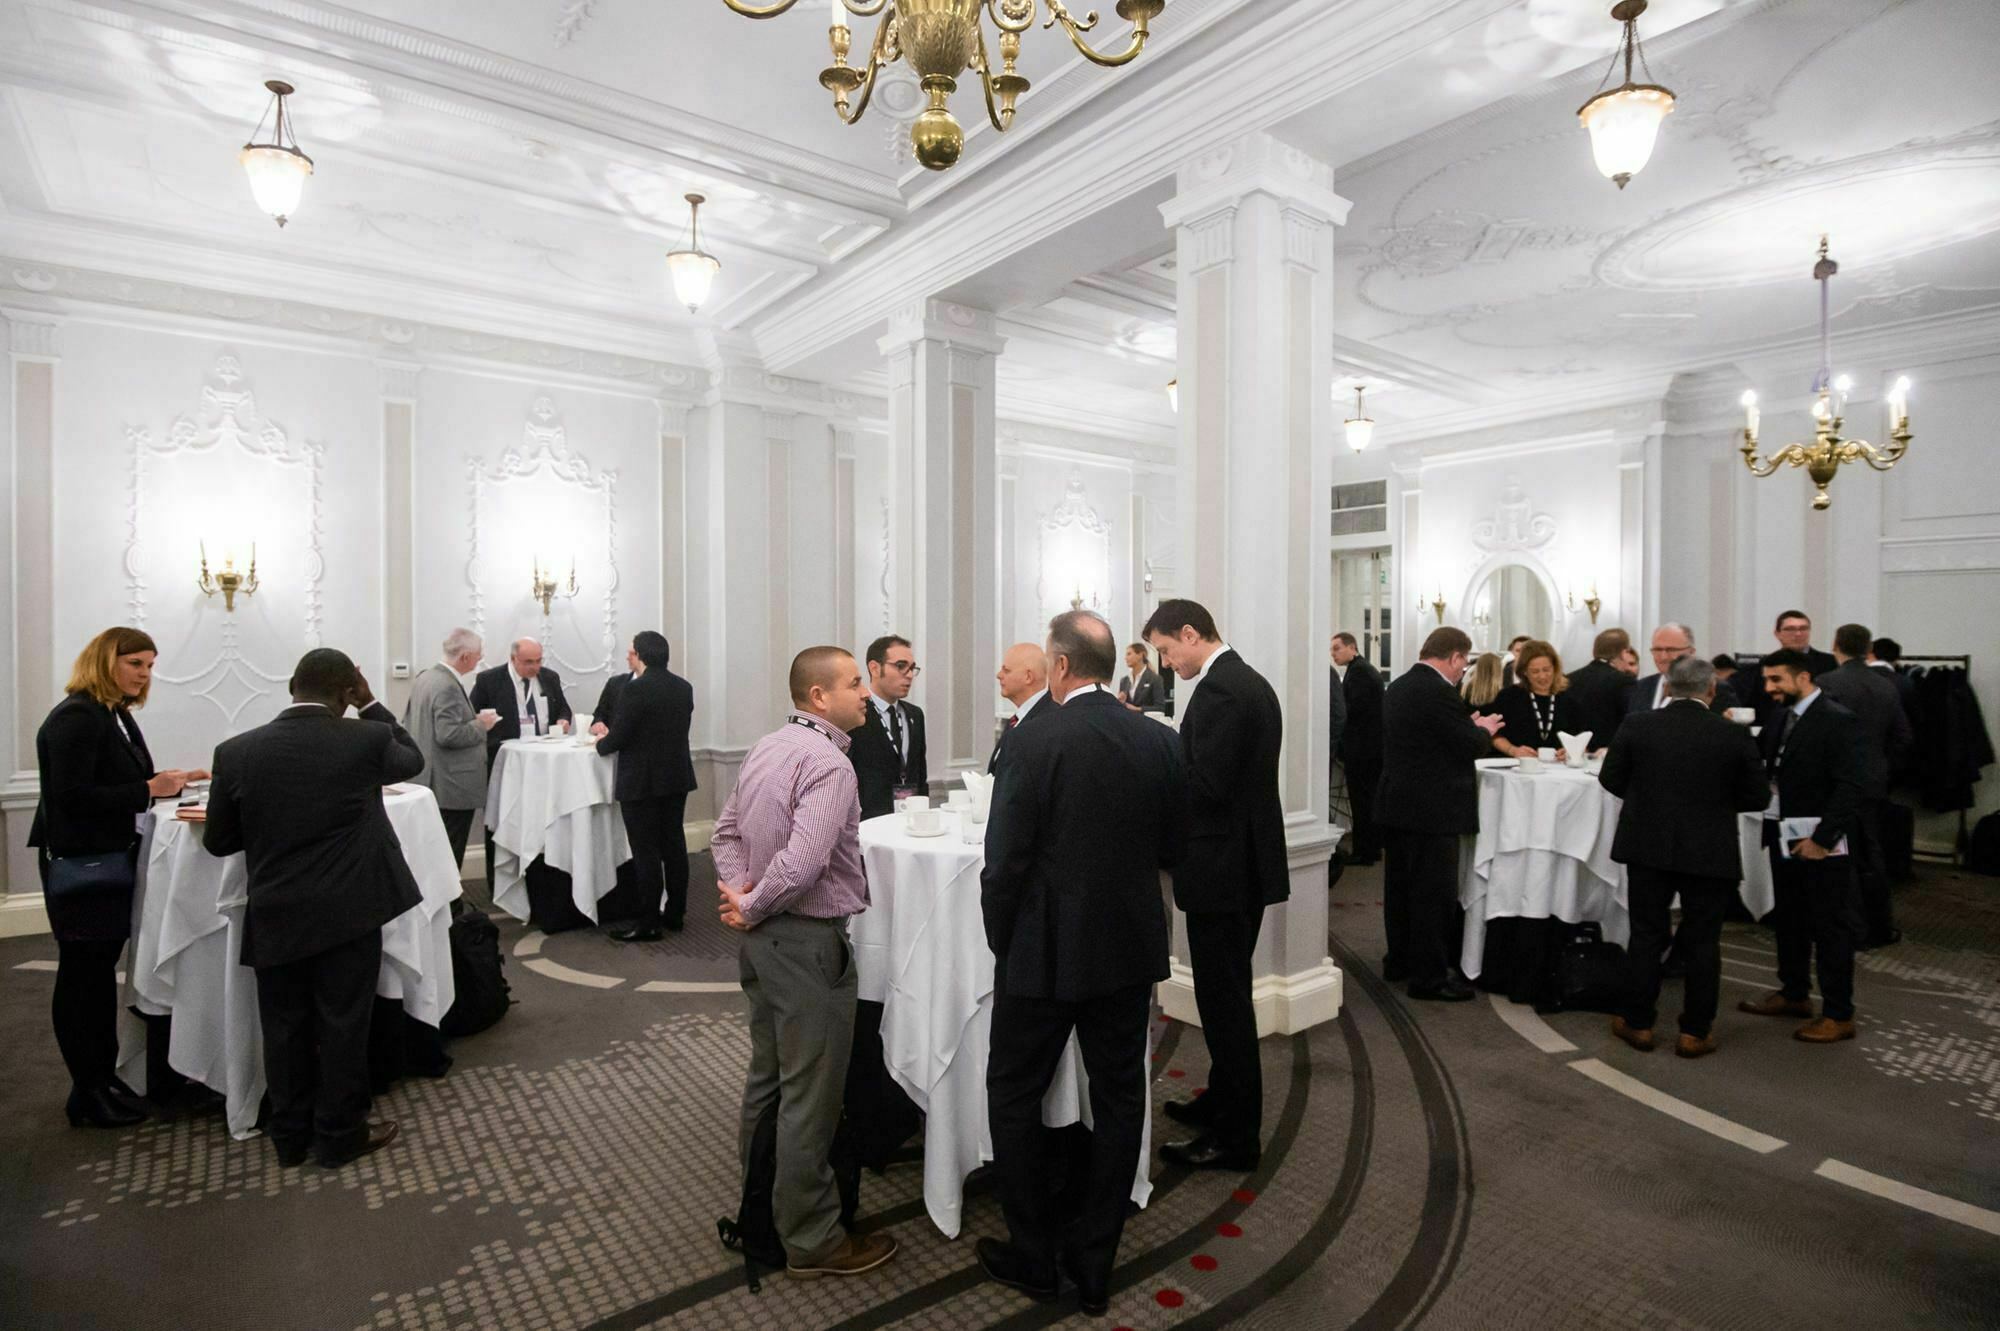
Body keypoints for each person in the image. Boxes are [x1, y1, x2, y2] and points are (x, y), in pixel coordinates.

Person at [976, 611, 1187, 1316]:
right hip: (1128, 948)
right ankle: (1096, 1260)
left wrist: (1002, 941)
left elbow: (1002, 863)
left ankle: (1034, 1253)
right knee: (1122, 1095)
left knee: (1011, 1091)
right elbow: (1173, 847)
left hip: (1040, 950)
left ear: (1060, 667)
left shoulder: (1032, 738)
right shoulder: (1159, 740)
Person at [710, 646, 899, 1279]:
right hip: (805, 943)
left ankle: (761, 1203)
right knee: (810, 1099)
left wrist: (741, 899)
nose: (866, 692)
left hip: (763, 944)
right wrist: (757, 903)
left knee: (768, 1082)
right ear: (819, 698)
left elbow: (724, 833)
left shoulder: (767, 746)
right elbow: (802, 865)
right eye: (853, 684)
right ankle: (813, 1240)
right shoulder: (829, 765)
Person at [203, 649, 426, 1166]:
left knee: (283, 1027)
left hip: (277, 910)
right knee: (343, 1023)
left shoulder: (235, 751)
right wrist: (371, 704)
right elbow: (412, 760)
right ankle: (339, 1134)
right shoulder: (366, 738)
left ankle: (289, 1136)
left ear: (291, 686)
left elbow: (219, 842)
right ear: (348, 692)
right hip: (348, 911)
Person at [29, 628, 204, 1128]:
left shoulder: (112, 714)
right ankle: (86, 1091)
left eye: (149, 665)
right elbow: (73, 796)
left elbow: (108, 783)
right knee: (83, 979)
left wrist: (166, 782)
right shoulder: (79, 716)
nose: (144, 674)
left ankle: (100, 1081)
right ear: (106, 661)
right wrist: (149, 787)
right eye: (135, 664)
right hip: (84, 864)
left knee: (97, 977)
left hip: (103, 859)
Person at [1143, 599, 1286, 1172]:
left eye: (1166, 649)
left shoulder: (1225, 689)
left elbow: (1208, 786)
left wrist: (1154, 770)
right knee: (1221, 998)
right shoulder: (1236, 680)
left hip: (1224, 869)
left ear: (1189, 632)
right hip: (1234, 864)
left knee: (1225, 1006)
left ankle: (1236, 1138)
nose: (1166, 661)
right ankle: (1221, 1102)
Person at [1599, 657, 1769, 1058]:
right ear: (1711, 690)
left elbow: (1609, 778)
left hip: (1647, 844)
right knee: (1703, 941)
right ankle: (1694, 1032)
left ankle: (1638, 1023)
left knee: (1646, 934)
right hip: (1709, 848)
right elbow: (1758, 796)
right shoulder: (1732, 734)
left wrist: (1646, 802)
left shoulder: (1638, 725)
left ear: (1669, 688)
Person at [1738, 648, 1867, 1043]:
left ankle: (1838, 1012)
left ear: (1803, 677)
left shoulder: (1837, 719)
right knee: (1789, 918)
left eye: (1776, 679)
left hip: (1822, 841)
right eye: (1766, 679)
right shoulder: (1780, 716)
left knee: (1830, 926)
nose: (1768, 687)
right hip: (1782, 833)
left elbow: (1851, 785)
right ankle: (1794, 993)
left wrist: (1823, 839)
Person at [1378, 627, 1503, 1000]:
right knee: (1433, 897)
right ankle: (1430, 978)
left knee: (1400, 891)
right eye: (1462, 665)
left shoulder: (1398, 686)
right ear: (1455, 657)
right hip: (1432, 811)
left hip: (1397, 805)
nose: (1461, 672)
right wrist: (1482, 729)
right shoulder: (1438, 692)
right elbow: (1467, 746)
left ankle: (1399, 961)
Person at [595, 631, 698, 940]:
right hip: (676, 776)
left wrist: (600, 745)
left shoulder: (635, 690)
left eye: (631, 652)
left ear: (640, 655)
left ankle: (648, 921)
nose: (629, 656)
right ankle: (676, 913)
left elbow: (621, 736)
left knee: (645, 851)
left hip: (641, 780)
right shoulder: (683, 687)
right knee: (674, 846)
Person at [1817, 623, 1913, 949]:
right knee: (1872, 854)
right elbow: (1903, 737)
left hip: (1833, 783)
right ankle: (1879, 925)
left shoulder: (1826, 684)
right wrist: (1882, 768)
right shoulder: (1887, 686)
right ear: (1868, 649)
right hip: (1873, 781)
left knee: (1837, 855)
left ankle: (1847, 926)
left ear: (1835, 645)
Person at [401, 628, 497, 871]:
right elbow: (448, 734)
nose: (479, 660)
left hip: (431, 778)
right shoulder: (447, 685)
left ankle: (446, 906)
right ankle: (451, 907)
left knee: (435, 852)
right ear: (465, 656)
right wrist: (481, 725)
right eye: (478, 655)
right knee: (449, 855)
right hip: (450, 785)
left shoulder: (426, 678)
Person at [847, 634, 927, 820]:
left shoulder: (915, 715)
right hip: (869, 821)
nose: (908, 675)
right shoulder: (857, 714)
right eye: (900, 666)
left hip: (910, 818)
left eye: (912, 668)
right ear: (874, 668)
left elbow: (920, 772)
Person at [468, 637, 574, 760]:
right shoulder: (489, 680)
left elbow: (563, 708)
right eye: (528, 662)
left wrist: (563, 720)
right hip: (506, 753)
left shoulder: (550, 677)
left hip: (545, 751)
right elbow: (471, 715)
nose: (535, 667)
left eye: (538, 661)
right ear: (513, 659)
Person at [1332, 632, 1385, 866]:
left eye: (1337, 649)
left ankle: (1365, 852)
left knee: (1362, 802)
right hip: (1369, 748)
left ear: (1352, 647)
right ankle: (1370, 849)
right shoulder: (1362, 670)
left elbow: (1351, 713)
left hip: (1363, 750)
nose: (1333, 654)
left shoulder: (1360, 673)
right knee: (1367, 800)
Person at [1489, 640, 1585, 759]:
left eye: (1546, 670)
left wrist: (1572, 750)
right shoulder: (1508, 697)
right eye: (1535, 671)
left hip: (1560, 770)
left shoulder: (1570, 698)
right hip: (1517, 768)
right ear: (1524, 672)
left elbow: (1583, 737)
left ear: (1555, 668)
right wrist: (1512, 750)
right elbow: (1494, 735)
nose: (1542, 676)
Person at [1629, 623, 1740, 714]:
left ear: (1691, 652)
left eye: (1671, 650)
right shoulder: (1641, 687)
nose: (1663, 656)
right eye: (1657, 649)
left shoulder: (1715, 687)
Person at [989, 642, 1053, 773]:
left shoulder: (1047, 721)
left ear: (1028, 677)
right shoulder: (1016, 720)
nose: (999, 675)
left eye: (1006, 670)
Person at [1566, 628, 1636, 746]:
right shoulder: (1623, 681)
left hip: (1574, 750)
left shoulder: (1569, 679)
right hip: (1608, 752)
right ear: (1624, 653)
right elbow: (1631, 721)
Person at [590, 641, 642, 734]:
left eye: (633, 654)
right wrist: (598, 723)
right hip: (612, 745)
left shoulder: (657, 687)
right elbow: (599, 714)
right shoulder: (615, 683)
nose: (628, 657)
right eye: (628, 653)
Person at [1773, 610, 1838, 681]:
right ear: (1777, 634)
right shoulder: (1767, 665)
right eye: (1790, 629)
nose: (1798, 634)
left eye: (1803, 628)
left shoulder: (1831, 663)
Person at [1118, 643, 1165, 713]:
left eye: (1129, 654)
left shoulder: (1155, 679)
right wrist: (1119, 701)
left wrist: (1138, 709)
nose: (1125, 658)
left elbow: (1160, 707)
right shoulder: (1124, 681)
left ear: (1140, 655)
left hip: (1145, 722)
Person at [1325, 636, 1349, 764]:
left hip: (1324, 745)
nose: (1333, 654)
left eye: (1337, 649)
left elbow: (1338, 713)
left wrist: (1329, 745)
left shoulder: (1326, 672)